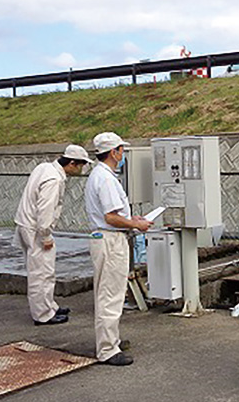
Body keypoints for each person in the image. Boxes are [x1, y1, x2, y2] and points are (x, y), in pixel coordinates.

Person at [84, 132, 151, 366]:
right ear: (113, 152)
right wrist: (136, 224)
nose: (123, 154)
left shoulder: (101, 175)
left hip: (107, 238)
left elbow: (114, 215)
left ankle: (111, 340)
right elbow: (111, 217)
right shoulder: (105, 178)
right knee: (110, 295)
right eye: (121, 150)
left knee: (109, 293)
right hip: (110, 239)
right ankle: (107, 349)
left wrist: (132, 218)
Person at [14, 145, 92, 326]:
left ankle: (49, 306)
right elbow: (45, 210)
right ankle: (42, 314)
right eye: (80, 165)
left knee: (41, 271)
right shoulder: (54, 180)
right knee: (42, 273)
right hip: (35, 229)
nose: (81, 170)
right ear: (72, 163)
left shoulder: (44, 167)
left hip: (25, 223)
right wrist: (46, 235)